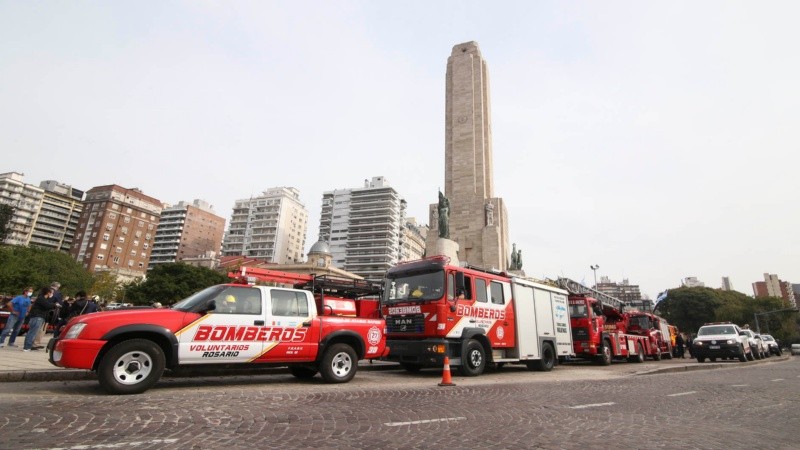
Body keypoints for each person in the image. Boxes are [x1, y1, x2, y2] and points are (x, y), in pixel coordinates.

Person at [23, 287, 56, 351]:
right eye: (51, 293)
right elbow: (48, 305)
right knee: (32, 332)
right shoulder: (41, 298)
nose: (51, 294)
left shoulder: (44, 299)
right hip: (37, 317)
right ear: (48, 293)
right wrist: (54, 304)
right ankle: (27, 347)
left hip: (39, 317)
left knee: (34, 333)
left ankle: (30, 345)